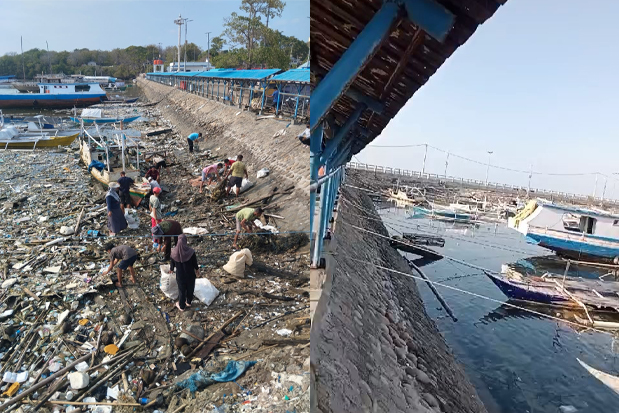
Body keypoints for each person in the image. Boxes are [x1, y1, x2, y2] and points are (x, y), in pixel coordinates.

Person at [168, 234, 200, 312]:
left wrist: (171, 269)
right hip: (190, 275)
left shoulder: (173, 253)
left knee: (181, 290)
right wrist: (197, 270)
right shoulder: (191, 252)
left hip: (180, 276)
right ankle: (189, 302)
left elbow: (172, 264)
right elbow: (195, 263)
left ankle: (182, 306)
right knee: (190, 288)